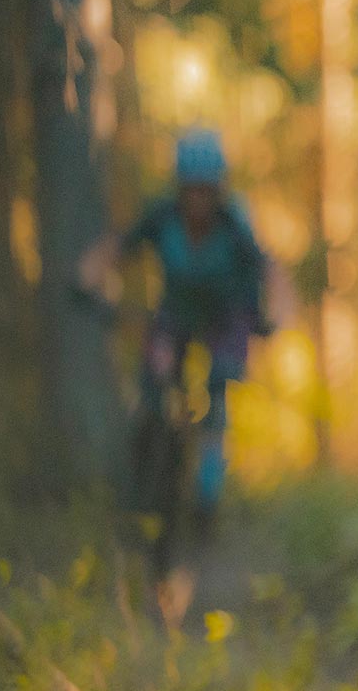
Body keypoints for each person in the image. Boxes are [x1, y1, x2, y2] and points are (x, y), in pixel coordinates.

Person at [80, 128, 274, 532]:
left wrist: (272, 317)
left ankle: (207, 494)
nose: (198, 199)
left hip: (226, 319)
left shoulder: (233, 226)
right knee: (154, 380)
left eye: (206, 190)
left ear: (218, 189)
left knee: (217, 389)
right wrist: (85, 279)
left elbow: (269, 272)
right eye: (191, 189)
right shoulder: (163, 217)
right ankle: (144, 481)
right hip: (176, 316)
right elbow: (118, 247)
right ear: (180, 188)